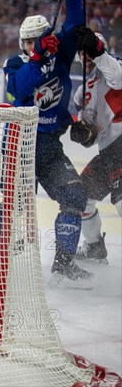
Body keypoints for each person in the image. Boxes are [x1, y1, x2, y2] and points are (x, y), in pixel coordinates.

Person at [2, 0, 92, 289]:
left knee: (74, 198)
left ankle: (63, 266)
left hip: (50, 147)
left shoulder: (62, 53)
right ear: (22, 43)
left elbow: (75, 25)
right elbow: (20, 89)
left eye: (37, 37)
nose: (32, 44)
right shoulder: (15, 64)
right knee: (10, 208)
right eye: (28, 40)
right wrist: (38, 56)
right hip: (20, 145)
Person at [69, 28, 122, 264]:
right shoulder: (82, 92)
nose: (86, 58)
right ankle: (95, 248)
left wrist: (98, 51)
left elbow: (117, 76)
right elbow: (92, 136)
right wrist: (83, 133)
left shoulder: (112, 68)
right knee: (81, 196)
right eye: (83, 53)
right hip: (108, 152)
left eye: (90, 52)